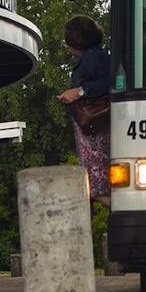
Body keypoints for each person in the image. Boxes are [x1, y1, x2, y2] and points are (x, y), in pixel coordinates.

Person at [56, 15, 111, 204]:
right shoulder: (96, 56)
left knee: (97, 186)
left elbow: (107, 84)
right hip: (93, 128)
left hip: (93, 129)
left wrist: (79, 92)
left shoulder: (92, 59)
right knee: (96, 184)